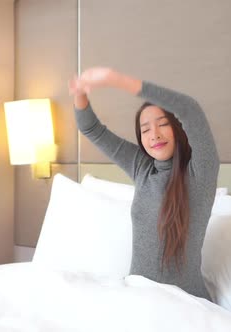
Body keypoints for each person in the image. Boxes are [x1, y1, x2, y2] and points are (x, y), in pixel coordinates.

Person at [68, 67, 219, 300]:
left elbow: (190, 109)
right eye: (145, 129)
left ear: (178, 128)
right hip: (137, 300)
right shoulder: (142, 167)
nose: (154, 134)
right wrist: (80, 92)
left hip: (185, 306)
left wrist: (115, 79)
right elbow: (90, 129)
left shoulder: (201, 172)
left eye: (162, 124)